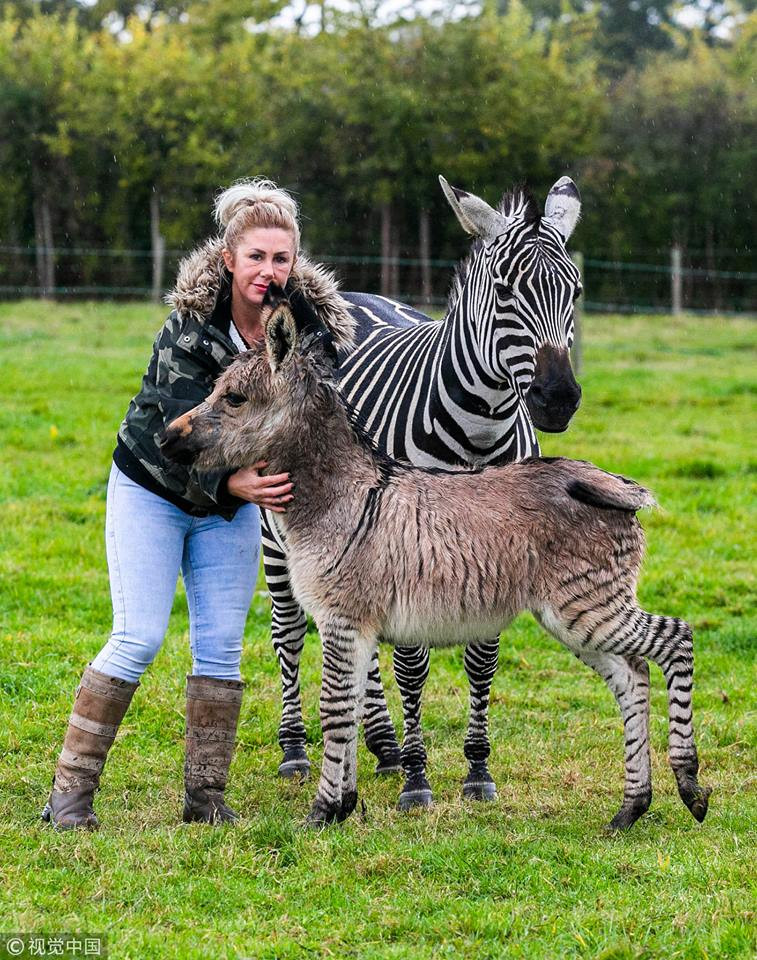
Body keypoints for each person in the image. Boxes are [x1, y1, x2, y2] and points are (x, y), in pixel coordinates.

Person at [42, 178, 353, 829]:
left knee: (219, 647)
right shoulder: (187, 331)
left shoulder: (304, 331)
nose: (269, 271)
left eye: (281, 258)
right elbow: (167, 437)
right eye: (256, 257)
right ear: (228, 261)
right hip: (152, 490)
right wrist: (234, 485)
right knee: (138, 636)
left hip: (230, 511)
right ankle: (68, 797)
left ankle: (204, 799)